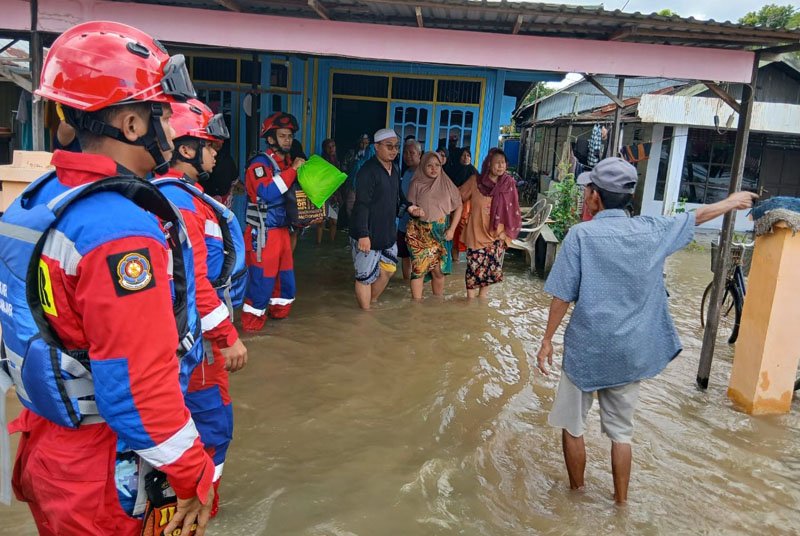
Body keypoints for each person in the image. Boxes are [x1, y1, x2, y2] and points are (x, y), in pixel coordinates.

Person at [0, 21, 215, 535]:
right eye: (162, 115)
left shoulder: (36, 201)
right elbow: (137, 391)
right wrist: (194, 475)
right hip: (102, 473)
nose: (172, 130)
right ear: (133, 123)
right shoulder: (120, 231)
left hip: (46, 445)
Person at [535, 157, 758, 504]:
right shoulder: (652, 230)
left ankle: (576, 496)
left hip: (587, 351)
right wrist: (732, 201)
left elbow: (562, 295)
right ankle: (621, 505)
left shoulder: (581, 235)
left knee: (572, 425)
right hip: (631, 351)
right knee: (622, 434)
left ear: (595, 197)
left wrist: (547, 340)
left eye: (588, 191)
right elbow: (694, 218)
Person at [155, 99, 248, 518]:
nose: (215, 154)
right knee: (212, 429)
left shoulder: (154, 197)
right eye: (209, 146)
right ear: (186, 149)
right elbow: (194, 283)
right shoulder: (185, 204)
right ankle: (202, 511)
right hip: (197, 347)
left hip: (171, 339)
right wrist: (227, 337)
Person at [242, 112, 305, 331]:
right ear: (270, 139)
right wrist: (293, 171)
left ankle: (279, 322)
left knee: (285, 282)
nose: (288, 139)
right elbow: (266, 191)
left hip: (282, 232)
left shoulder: (287, 163)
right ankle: (251, 329)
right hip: (263, 233)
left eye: (290, 136)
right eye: (283, 135)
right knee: (262, 283)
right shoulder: (259, 164)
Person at [349, 128, 418, 310]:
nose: (394, 150)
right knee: (364, 277)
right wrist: (363, 234)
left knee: (388, 269)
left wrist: (410, 206)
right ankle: (365, 315)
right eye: (389, 146)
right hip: (367, 233)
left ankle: (371, 301)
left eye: (396, 147)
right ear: (376, 147)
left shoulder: (393, 169)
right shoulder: (367, 171)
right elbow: (362, 204)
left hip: (387, 231)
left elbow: (398, 194)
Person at [458, 148, 522, 298]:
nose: (501, 166)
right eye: (497, 163)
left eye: (503, 163)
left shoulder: (508, 184)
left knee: (487, 275)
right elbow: (458, 196)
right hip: (476, 234)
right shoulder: (475, 181)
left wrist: (506, 234)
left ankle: (480, 307)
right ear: (488, 164)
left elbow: (514, 210)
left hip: (496, 236)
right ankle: (469, 306)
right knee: (472, 273)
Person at [405, 152, 463, 299]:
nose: (434, 169)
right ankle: (416, 307)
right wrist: (414, 210)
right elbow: (410, 206)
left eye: (437, 165)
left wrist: (452, 229)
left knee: (438, 270)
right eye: (429, 165)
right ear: (423, 166)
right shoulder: (416, 183)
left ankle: (438, 302)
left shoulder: (447, 183)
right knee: (419, 269)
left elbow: (459, 206)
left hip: (441, 233)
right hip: (419, 233)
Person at [446, 147, 478, 262]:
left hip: (468, 209)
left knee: (465, 232)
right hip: (453, 207)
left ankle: (465, 259)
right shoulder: (452, 171)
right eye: (463, 155)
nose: (466, 158)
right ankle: (454, 258)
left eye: (468, 156)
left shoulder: (474, 173)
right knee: (453, 232)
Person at [397, 139, 421, 280]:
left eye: (412, 153)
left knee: (417, 257)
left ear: (419, 154)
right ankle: (406, 284)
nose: (408, 156)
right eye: (405, 152)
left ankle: (416, 288)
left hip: (417, 224)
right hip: (403, 223)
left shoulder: (423, 174)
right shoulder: (406, 173)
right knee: (405, 256)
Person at [317, 138, 342, 243]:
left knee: (334, 222)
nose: (332, 149)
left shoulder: (337, 161)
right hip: (324, 195)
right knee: (321, 222)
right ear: (325, 149)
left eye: (333, 146)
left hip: (335, 194)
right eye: (329, 147)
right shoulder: (321, 162)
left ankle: (331, 243)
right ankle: (318, 244)